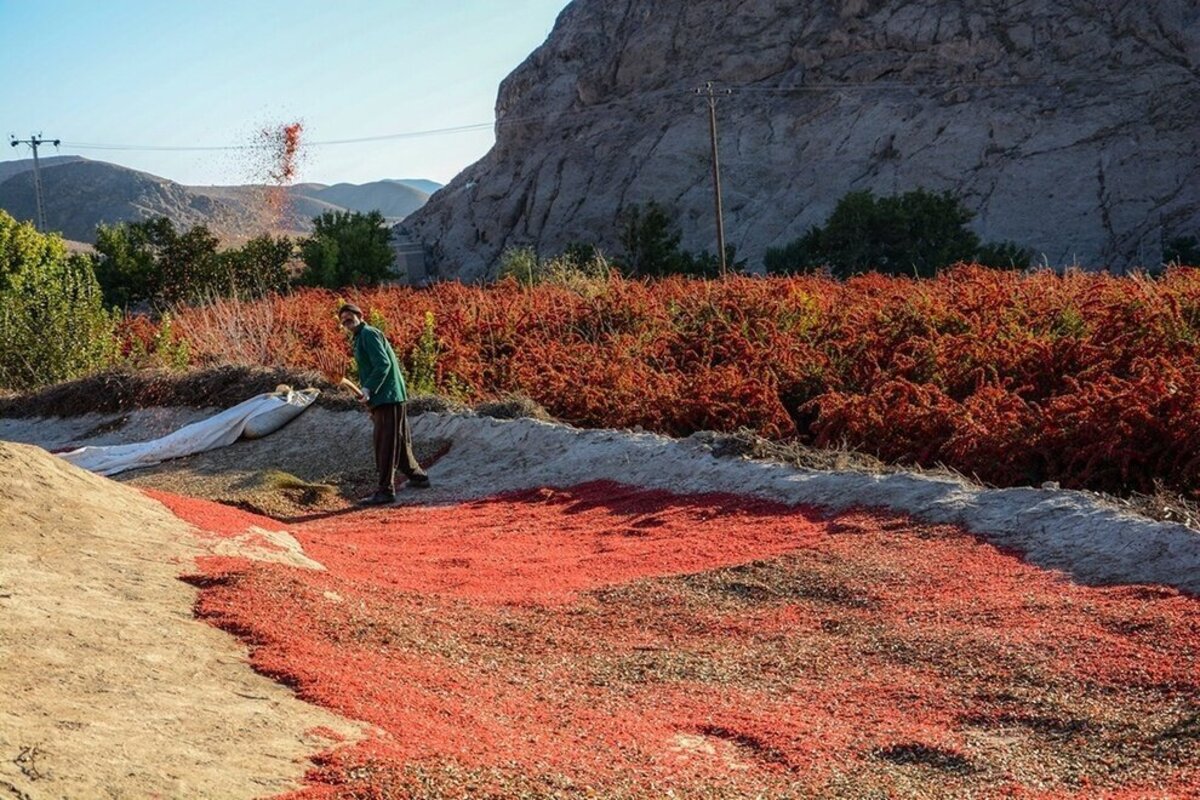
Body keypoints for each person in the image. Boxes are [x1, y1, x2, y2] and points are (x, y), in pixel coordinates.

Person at [338, 303, 430, 505]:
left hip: (387, 396)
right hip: (386, 396)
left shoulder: (369, 334)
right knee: (398, 439)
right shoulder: (359, 338)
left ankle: (386, 491)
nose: (346, 323)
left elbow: (383, 364)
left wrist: (369, 388)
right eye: (343, 320)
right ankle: (418, 476)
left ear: (360, 315)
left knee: (385, 443)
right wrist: (367, 393)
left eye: (349, 318)